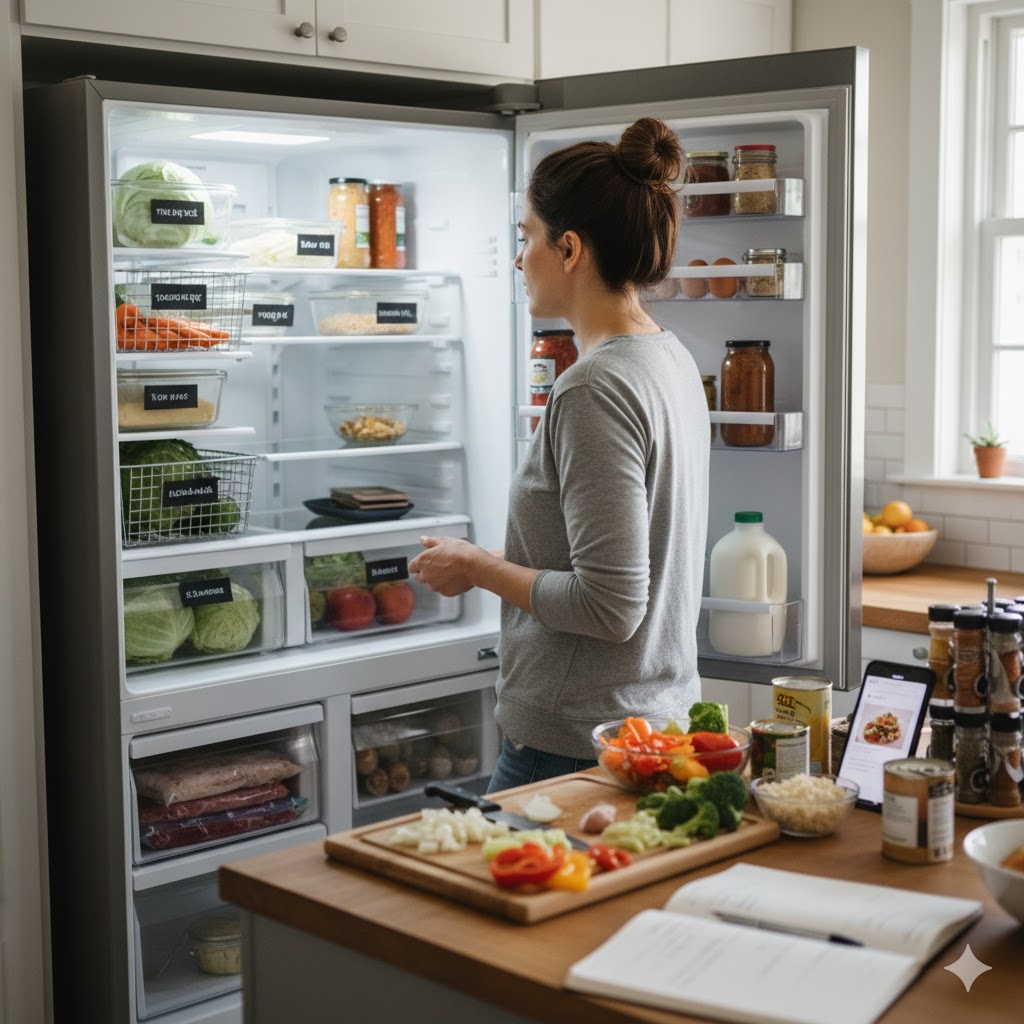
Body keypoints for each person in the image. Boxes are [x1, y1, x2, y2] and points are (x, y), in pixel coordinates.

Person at [408, 117, 710, 790]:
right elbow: (620, 569)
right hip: (647, 724)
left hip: (574, 743)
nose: (519, 260)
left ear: (569, 248)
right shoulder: (670, 357)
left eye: (527, 238)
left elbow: (610, 604)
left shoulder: (593, 387)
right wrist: (484, 564)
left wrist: (477, 566)